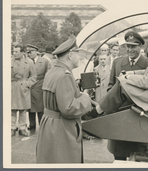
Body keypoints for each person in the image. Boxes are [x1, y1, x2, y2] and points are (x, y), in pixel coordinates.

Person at [87, 29, 148, 117]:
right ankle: (100, 109)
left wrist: (128, 77)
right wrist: (133, 73)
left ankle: (98, 111)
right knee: (124, 82)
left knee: (123, 83)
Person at [36, 35, 92, 163]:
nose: (80, 57)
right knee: (64, 160)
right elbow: (68, 108)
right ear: (71, 55)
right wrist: (85, 97)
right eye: (78, 53)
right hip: (61, 128)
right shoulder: (65, 75)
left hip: (49, 125)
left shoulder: (53, 71)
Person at [106, 31, 148, 160]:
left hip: (138, 116)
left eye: (133, 47)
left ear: (140, 47)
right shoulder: (117, 63)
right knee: (119, 154)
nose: (130, 50)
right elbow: (110, 86)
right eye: (128, 47)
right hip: (120, 116)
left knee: (138, 156)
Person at [11, 45, 36, 136]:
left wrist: (27, 84)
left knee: (23, 110)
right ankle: (12, 127)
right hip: (12, 87)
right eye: (13, 51)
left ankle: (22, 128)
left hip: (23, 87)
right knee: (12, 109)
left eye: (16, 52)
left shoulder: (29, 62)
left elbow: (33, 76)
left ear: (22, 52)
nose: (14, 53)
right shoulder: (9, 61)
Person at [27, 44, 50, 130]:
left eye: (31, 52)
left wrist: (45, 85)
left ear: (36, 52)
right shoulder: (27, 62)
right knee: (30, 107)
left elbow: (48, 74)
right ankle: (32, 124)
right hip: (30, 86)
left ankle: (42, 124)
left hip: (41, 86)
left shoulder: (45, 61)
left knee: (41, 108)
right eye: (28, 52)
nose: (30, 54)